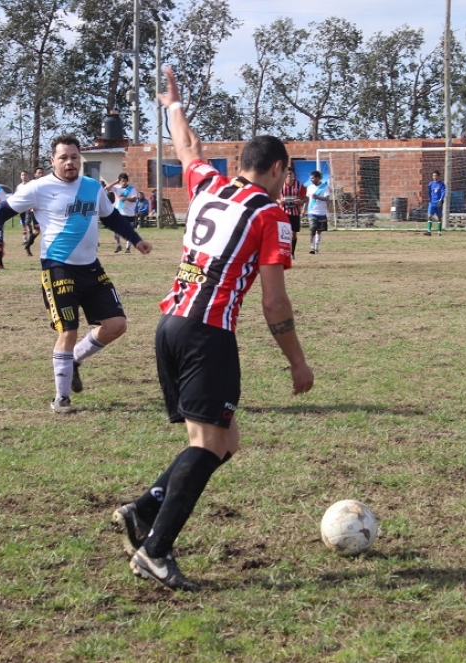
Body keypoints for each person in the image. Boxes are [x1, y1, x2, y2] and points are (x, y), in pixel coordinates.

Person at [112, 66, 314, 592]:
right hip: (207, 333)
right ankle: (155, 551)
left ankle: (142, 509)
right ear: (274, 169)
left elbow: (186, 148)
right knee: (206, 444)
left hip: (170, 325)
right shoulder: (272, 217)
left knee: (225, 442)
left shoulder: (209, 183)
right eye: (284, 173)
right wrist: (297, 360)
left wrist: (172, 105)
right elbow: (274, 302)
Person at [0, 136, 151, 413]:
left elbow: (110, 216)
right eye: (63, 158)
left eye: (74, 157)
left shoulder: (91, 187)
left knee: (117, 325)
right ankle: (61, 398)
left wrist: (136, 240)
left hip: (92, 267)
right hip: (57, 268)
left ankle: (74, 360)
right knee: (69, 329)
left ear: (80, 160)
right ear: (53, 161)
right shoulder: (38, 188)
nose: (70, 163)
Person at [279, 166, 308, 259]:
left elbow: (306, 197)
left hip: (295, 213)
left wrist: (301, 202)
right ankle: (283, 252)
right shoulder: (280, 185)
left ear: (293, 175)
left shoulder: (299, 185)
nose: (288, 176)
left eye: (290, 174)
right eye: (286, 174)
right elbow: (273, 197)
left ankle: (292, 253)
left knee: (293, 234)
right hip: (283, 213)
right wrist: (280, 201)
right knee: (283, 234)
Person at [106, 173, 138, 253]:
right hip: (119, 212)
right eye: (122, 181)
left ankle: (128, 248)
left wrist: (126, 198)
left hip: (129, 213)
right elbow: (107, 188)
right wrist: (116, 181)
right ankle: (118, 245)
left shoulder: (132, 189)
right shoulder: (117, 188)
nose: (123, 182)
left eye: (125, 181)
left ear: (127, 181)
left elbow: (134, 199)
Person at [306, 170, 329, 254]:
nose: (311, 180)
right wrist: (304, 209)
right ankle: (312, 247)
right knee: (312, 228)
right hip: (312, 211)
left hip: (321, 212)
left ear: (317, 178)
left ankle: (316, 248)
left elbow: (327, 198)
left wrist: (318, 197)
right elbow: (308, 198)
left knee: (319, 230)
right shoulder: (309, 187)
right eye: (310, 178)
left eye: (313, 178)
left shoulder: (324, 187)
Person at [424, 170, 446, 236]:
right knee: (429, 216)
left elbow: (443, 192)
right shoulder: (431, 184)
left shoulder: (441, 184)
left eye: (436, 175)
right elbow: (429, 192)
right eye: (433, 175)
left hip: (438, 202)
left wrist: (441, 199)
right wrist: (429, 199)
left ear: (438, 176)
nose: (434, 177)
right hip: (432, 202)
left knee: (439, 217)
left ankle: (439, 232)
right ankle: (429, 231)